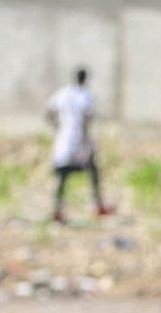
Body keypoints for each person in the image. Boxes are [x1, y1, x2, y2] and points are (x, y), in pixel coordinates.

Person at [46, 67, 111, 223]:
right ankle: (97, 204)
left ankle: (57, 209)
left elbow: (49, 113)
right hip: (79, 140)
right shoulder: (85, 96)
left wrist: (57, 129)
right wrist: (86, 141)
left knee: (63, 175)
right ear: (84, 79)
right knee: (90, 170)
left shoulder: (63, 93)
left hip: (64, 140)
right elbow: (86, 121)